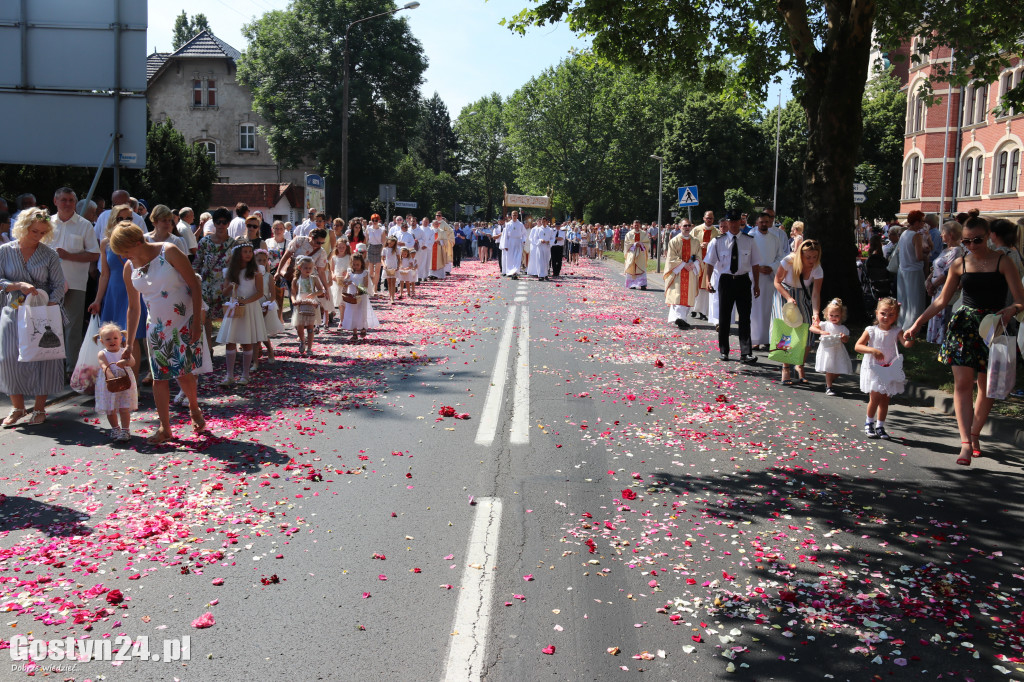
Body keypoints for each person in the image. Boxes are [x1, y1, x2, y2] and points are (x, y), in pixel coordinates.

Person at [905, 216, 1024, 464]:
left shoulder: (1003, 261)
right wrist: (917, 323)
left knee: (986, 387)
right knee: (962, 385)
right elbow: (940, 300)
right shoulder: (960, 264)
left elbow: (1020, 299)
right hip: (963, 325)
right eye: (967, 241)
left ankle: (974, 432)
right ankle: (966, 443)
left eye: (977, 240)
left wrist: (1012, 309)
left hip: (992, 326)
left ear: (989, 236)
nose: (972, 245)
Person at [112, 223, 205, 444]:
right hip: (157, 327)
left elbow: (194, 284)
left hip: (184, 320)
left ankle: (193, 406)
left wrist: (197, 323)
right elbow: (133, 307)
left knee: (184, 373)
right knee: (159, 377)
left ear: (137, 242)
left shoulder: (169, 251)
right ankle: (165, 427)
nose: (124, 257)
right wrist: (129, 342)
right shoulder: (129, 267)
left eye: (125, 251)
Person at [0, 208, 67, 426]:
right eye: (33, 231)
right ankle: (18, 407)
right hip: (13, 309)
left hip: (43, 312)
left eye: (41, 232)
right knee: (8, 358)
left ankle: (39, 408)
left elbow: (58, 285)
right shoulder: (4, 251)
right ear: (22, 228)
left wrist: (48, 306)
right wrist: (16, 285)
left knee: (44, 358)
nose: (37, 236)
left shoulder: (49, 254)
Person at [50, 187, 100, 374]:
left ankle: (72, 369)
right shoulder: (46, 224)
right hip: (49, 284)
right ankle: (53, 367)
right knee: (49, 326)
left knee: (72, 327)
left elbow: (95, 254)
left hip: (76, 283)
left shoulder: (84, 224)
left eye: (71, 200)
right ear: (55, 201)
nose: (68, 203)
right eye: (64, 200)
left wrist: (69, 255)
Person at [704, 209, 761, 364]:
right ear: (726, 223)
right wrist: (708, 281)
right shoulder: (717, 241)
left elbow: (755, 264)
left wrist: (756, 284)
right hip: (726, 280)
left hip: (743, 280)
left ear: (740, 223)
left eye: (737, 222)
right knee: (724, 317)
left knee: (744, 318)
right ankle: (724, 351)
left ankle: (745, 352)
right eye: (731, 222)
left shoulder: (749, 240)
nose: (734, 225)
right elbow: (709, 263)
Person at [856, 297, 913, 441]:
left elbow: (906, 344)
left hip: (890, 368)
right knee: (875, 397)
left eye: (891, 315)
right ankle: (869, 423)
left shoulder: (896, 331)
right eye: (883, 313)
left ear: (896, 316)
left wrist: (910, 337)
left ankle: (880, 426)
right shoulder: (871, 330)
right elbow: (858, 346)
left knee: (885, 399)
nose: (886, 317)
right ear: (876, 313)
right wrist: (872, 350)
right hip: (875, 368)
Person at [772, 239, 824, 383]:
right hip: (784, 294)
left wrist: (816, 314)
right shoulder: (788, 261)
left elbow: (815, 294)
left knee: (807, 330)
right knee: (786, 331)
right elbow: (777, 282)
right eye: (808, 257)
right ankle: (785, 367)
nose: (811, 260)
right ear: (801, 255)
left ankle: (799, 364)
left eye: (815, 257)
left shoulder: (817, 268)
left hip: (802, 295)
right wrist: (788, 297)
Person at [216, 244, 266, 387]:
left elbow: (260, 292)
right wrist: (232, 287)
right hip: (234, 307)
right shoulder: (230, 272)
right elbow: (224, 293)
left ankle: (245, 375)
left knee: (246, 341)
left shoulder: (256, 270)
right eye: (245, 252)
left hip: (248, 307)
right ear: (237, 254)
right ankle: (229, 375)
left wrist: (245, 301)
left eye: (250, 251)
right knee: (230, 341)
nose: (249, 254)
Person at [193, 208, 238, 351]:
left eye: (224, 222)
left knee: (229, 319)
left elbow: (237, 267)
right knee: (206, 319)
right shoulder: (205, 242)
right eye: (218, 222)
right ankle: (208, 349)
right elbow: (196, 264)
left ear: (229, 223)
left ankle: (230, 349)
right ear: (214, 223)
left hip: (226, 288)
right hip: (206, 286)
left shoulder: (233, 244)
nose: (221, 225)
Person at [750, 212, 788, 351]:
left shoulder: (775, 239)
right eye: (762, 222)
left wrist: (771, 267)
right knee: (755, 310)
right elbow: (746, 257)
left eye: (767, 221)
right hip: (754, 277)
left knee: (769, 309)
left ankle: (767, 338)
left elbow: (781, 257)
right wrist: (757, 268)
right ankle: (754, 339)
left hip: (771, 277)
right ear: (757, 223)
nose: (764, 224)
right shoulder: (750, 238)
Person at [94, 322, 137, 442]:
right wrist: (113, 380)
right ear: (102, 341)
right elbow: (104, 366)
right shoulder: (102, 353)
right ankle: (115, 428)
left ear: (121, 338)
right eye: (108, 339)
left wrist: (125, 362)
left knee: (124, 407)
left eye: (115, 338)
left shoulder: (124, 351)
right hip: (110, 382)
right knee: (110, 408)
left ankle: (125, 430)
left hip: (125, 381)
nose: (112, 341)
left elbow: (132, 362)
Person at [926, 221, 963, 344]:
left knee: (944, 315)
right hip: (936, 287)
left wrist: (933, 284)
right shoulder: (945, 249)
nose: (941, 235)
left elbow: (948, 272)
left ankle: (943, 342)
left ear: (951, 234)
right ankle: (935, 340)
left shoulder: (957, 251)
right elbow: (936, 267)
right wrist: (928, 280)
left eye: (943, 232)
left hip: (944, 288)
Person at [810, 298, 853, 396]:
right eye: (831, 315)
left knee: (840, 368)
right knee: (829, 368)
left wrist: (843, 337)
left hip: (838, 351)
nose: (833, 317)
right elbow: (811, 328)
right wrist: (821, 331)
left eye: (837, 316)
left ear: (841, 315)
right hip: (827, 350)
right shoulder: (825, 324)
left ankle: (829, 380)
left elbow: (846, 340)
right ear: (826, 315)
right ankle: (829, 387)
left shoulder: (843, 328)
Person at [664, 221, 701, 329]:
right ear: (680, 227)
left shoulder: (695, 241)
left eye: (689, 225)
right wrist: (684, 264)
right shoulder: (674, 241)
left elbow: (699, 256)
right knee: (677, 297)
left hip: (690, 272)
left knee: (688, 296)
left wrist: (694, 264)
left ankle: (682, 319)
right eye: (685, 226)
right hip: (678, 273)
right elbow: (671, 257)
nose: (687, 227)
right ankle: (680, 319)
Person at [896, 210, 929, 327]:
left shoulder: (904, 234)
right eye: (922, 221)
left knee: (904, 301)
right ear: (916, 222)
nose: (923, 224)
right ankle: (911, 328)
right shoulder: (916, 236)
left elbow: (902, 250)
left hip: (903, 269)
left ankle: (901, 325)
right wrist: (926, 256)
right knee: (915, 301)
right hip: (914, 270)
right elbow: (919, 256)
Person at [341, 252, 379, 342]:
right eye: (353, 264)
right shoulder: (350, 271)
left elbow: (365, 285)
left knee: (361, 312)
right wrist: (347, 282)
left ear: (361, 263)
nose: (355, 266)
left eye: (357, 264)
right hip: (351, 295)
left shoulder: (364, 273)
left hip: (361, 295)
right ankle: (354, 332)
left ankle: (362, 327)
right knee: (352, 313)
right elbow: (344, 281)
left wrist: (359, 290)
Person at [253, 250, 282, 368]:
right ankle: (255, 361)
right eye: (259, 260)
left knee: (261, 333)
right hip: (253, 304)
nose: (262, 262)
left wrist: (266, 305)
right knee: (254, 335)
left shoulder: (268, 276)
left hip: (264, 304)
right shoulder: (251, 274)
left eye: (264, 260)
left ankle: (269, 349)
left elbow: (273, 295)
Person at [291, 256, 325, 356]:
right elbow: (293, 293)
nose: (308, 270)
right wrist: (293, 300)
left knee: (310, 326)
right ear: (300, 268)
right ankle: (302, 340)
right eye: (306, 268)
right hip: (300, 303)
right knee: (300, 326)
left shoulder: (314, 278)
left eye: (310, 268)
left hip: (311, 303)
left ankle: (309, 347)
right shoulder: (296, 280)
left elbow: (320, 290)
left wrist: (314, 295)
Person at [691, 211, 720, 320]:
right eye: (707, 218)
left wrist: (710, 246)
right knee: (695, 286)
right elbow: (690, 243)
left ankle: (703, 311)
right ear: (704, 218)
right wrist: (699, 244)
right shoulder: (696, 230)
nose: (709, 220)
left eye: (711, 218)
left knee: (705, 288)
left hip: (709, 264)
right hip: (697, 262)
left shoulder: (716, 232)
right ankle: (694, 308)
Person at [329, 240, 352, 327]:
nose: (341, 249)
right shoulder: (334, 258)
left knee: (344, 301)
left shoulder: (349, 257)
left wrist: (347, 273)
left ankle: (343, 320)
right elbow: (331, 269)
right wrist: (333, 275)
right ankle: (342, 320)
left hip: (346, 281)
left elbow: (351, 268)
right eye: (339, 247)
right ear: (336, 247)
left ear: (346, 247)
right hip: (337, 281)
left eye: (343, 247)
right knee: (340, 302)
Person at [623, 220, 650, 290]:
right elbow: (626, 244)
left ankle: (642, 284)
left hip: (640, 253)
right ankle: (632, 284)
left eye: (638, 225)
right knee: (632, 267)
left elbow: (647, 243)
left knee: (641, 267)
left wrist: (641, 244)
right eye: (635, 225)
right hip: (632, 253)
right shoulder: (629, 234)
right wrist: (634, 244)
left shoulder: (644, 234)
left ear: (640, 225)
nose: (636, 226)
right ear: (632, 225)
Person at [500, 212, 526, 279]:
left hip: (518, 242)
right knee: (510, 258)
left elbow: (524, 234)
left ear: (517, 216)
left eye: (516, 215)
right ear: (511, 216)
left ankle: (516, 272)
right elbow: (505, 235)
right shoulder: (508, 224)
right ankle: (510, 271)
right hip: (510, 242)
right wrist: (505, 245)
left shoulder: (520, 224)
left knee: (517, 257)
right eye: (513, 215)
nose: (514, 216)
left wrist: (523, 240)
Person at [365, 214, 386, 295]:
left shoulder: (382, 230)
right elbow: (366, 241)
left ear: (379, 221)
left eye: (376, 220)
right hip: (370, 248)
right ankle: (371, 287)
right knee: (370, 272)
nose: (374, 222)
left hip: (379, 248)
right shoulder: (368, 229)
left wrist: (382, 252)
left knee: (377, 271)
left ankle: (375, 288)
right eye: (373, 220)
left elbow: (384, 242)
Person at [381, 235, 399, 303]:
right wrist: (384, 265)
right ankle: (390, 295)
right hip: (387, 266)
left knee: (393, 282)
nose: (391, 244)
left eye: (393, 243)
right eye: (390, 243)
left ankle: (393, 297)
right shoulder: (385, 249)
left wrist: (398, 266)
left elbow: (398, 258)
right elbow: (382, 259)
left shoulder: (396, 249)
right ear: (388, 241)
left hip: (394, 266)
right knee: (389, 282)